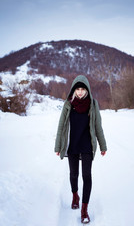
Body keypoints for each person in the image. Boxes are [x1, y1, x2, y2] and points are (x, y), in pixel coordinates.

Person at [54, 75, 107, 224]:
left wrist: (103, 145)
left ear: (87, 89)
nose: (80, 92)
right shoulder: (68, 105)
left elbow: (98, 127)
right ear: (74, 90)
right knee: (73, 175)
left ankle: (84, 210)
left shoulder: (93, 104)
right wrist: (58, 146)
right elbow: (61, 127)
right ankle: (75, 195)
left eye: (83, 89)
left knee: (87, 176)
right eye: (77, 89)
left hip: (87, 145)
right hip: (72, 145)